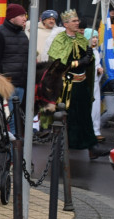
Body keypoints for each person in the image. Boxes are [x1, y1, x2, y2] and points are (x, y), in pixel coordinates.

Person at [37, 10, 107, 159]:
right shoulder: (59, 40)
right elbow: (57, 64)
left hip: (81, 84)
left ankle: (92, 146)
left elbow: (87, 63)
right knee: (67, 116)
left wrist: (89, 58)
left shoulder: (81, 40)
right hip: (66, 86)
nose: (78, 23)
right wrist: (79, 62)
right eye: (74, 21)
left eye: (77, 21)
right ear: (66, 24)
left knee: (84, 116)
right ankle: (62, 146)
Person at [0, 3, 30, 115]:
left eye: (25, 15)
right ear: (12, 17)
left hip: (21, 85)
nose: (25, 18)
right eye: (21, 15)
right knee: (8, 119)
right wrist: (1, 85)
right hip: (6, 86)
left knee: (17, 117)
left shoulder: (23, 35)